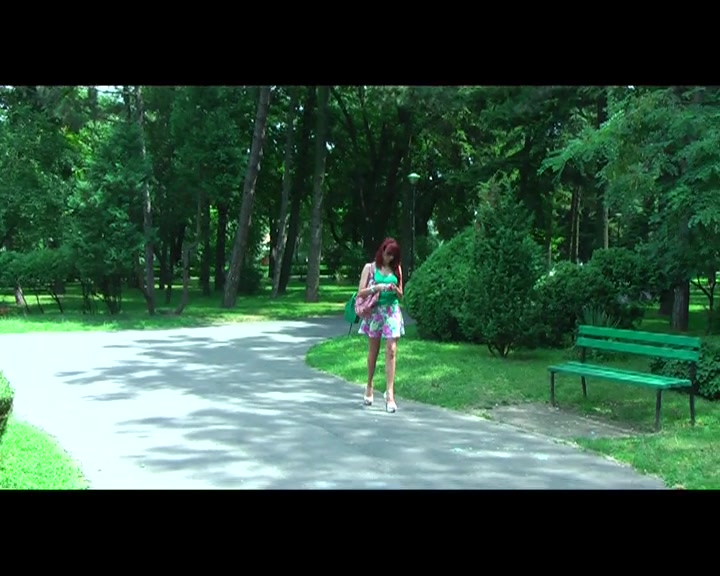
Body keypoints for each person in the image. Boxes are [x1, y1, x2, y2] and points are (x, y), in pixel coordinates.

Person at [356, 237, 405, 413]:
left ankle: (390, 394)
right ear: (382, 251)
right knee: (373, 351)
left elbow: (401, 294)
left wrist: (394, 288)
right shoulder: (370, 268)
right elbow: (360, 293)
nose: (389, 258)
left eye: (392, 256)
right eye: (387, 254)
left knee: (391, 350)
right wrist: (376, 288)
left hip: (392, 310)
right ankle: (369, 385)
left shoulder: (397, 268)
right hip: (375, 311)